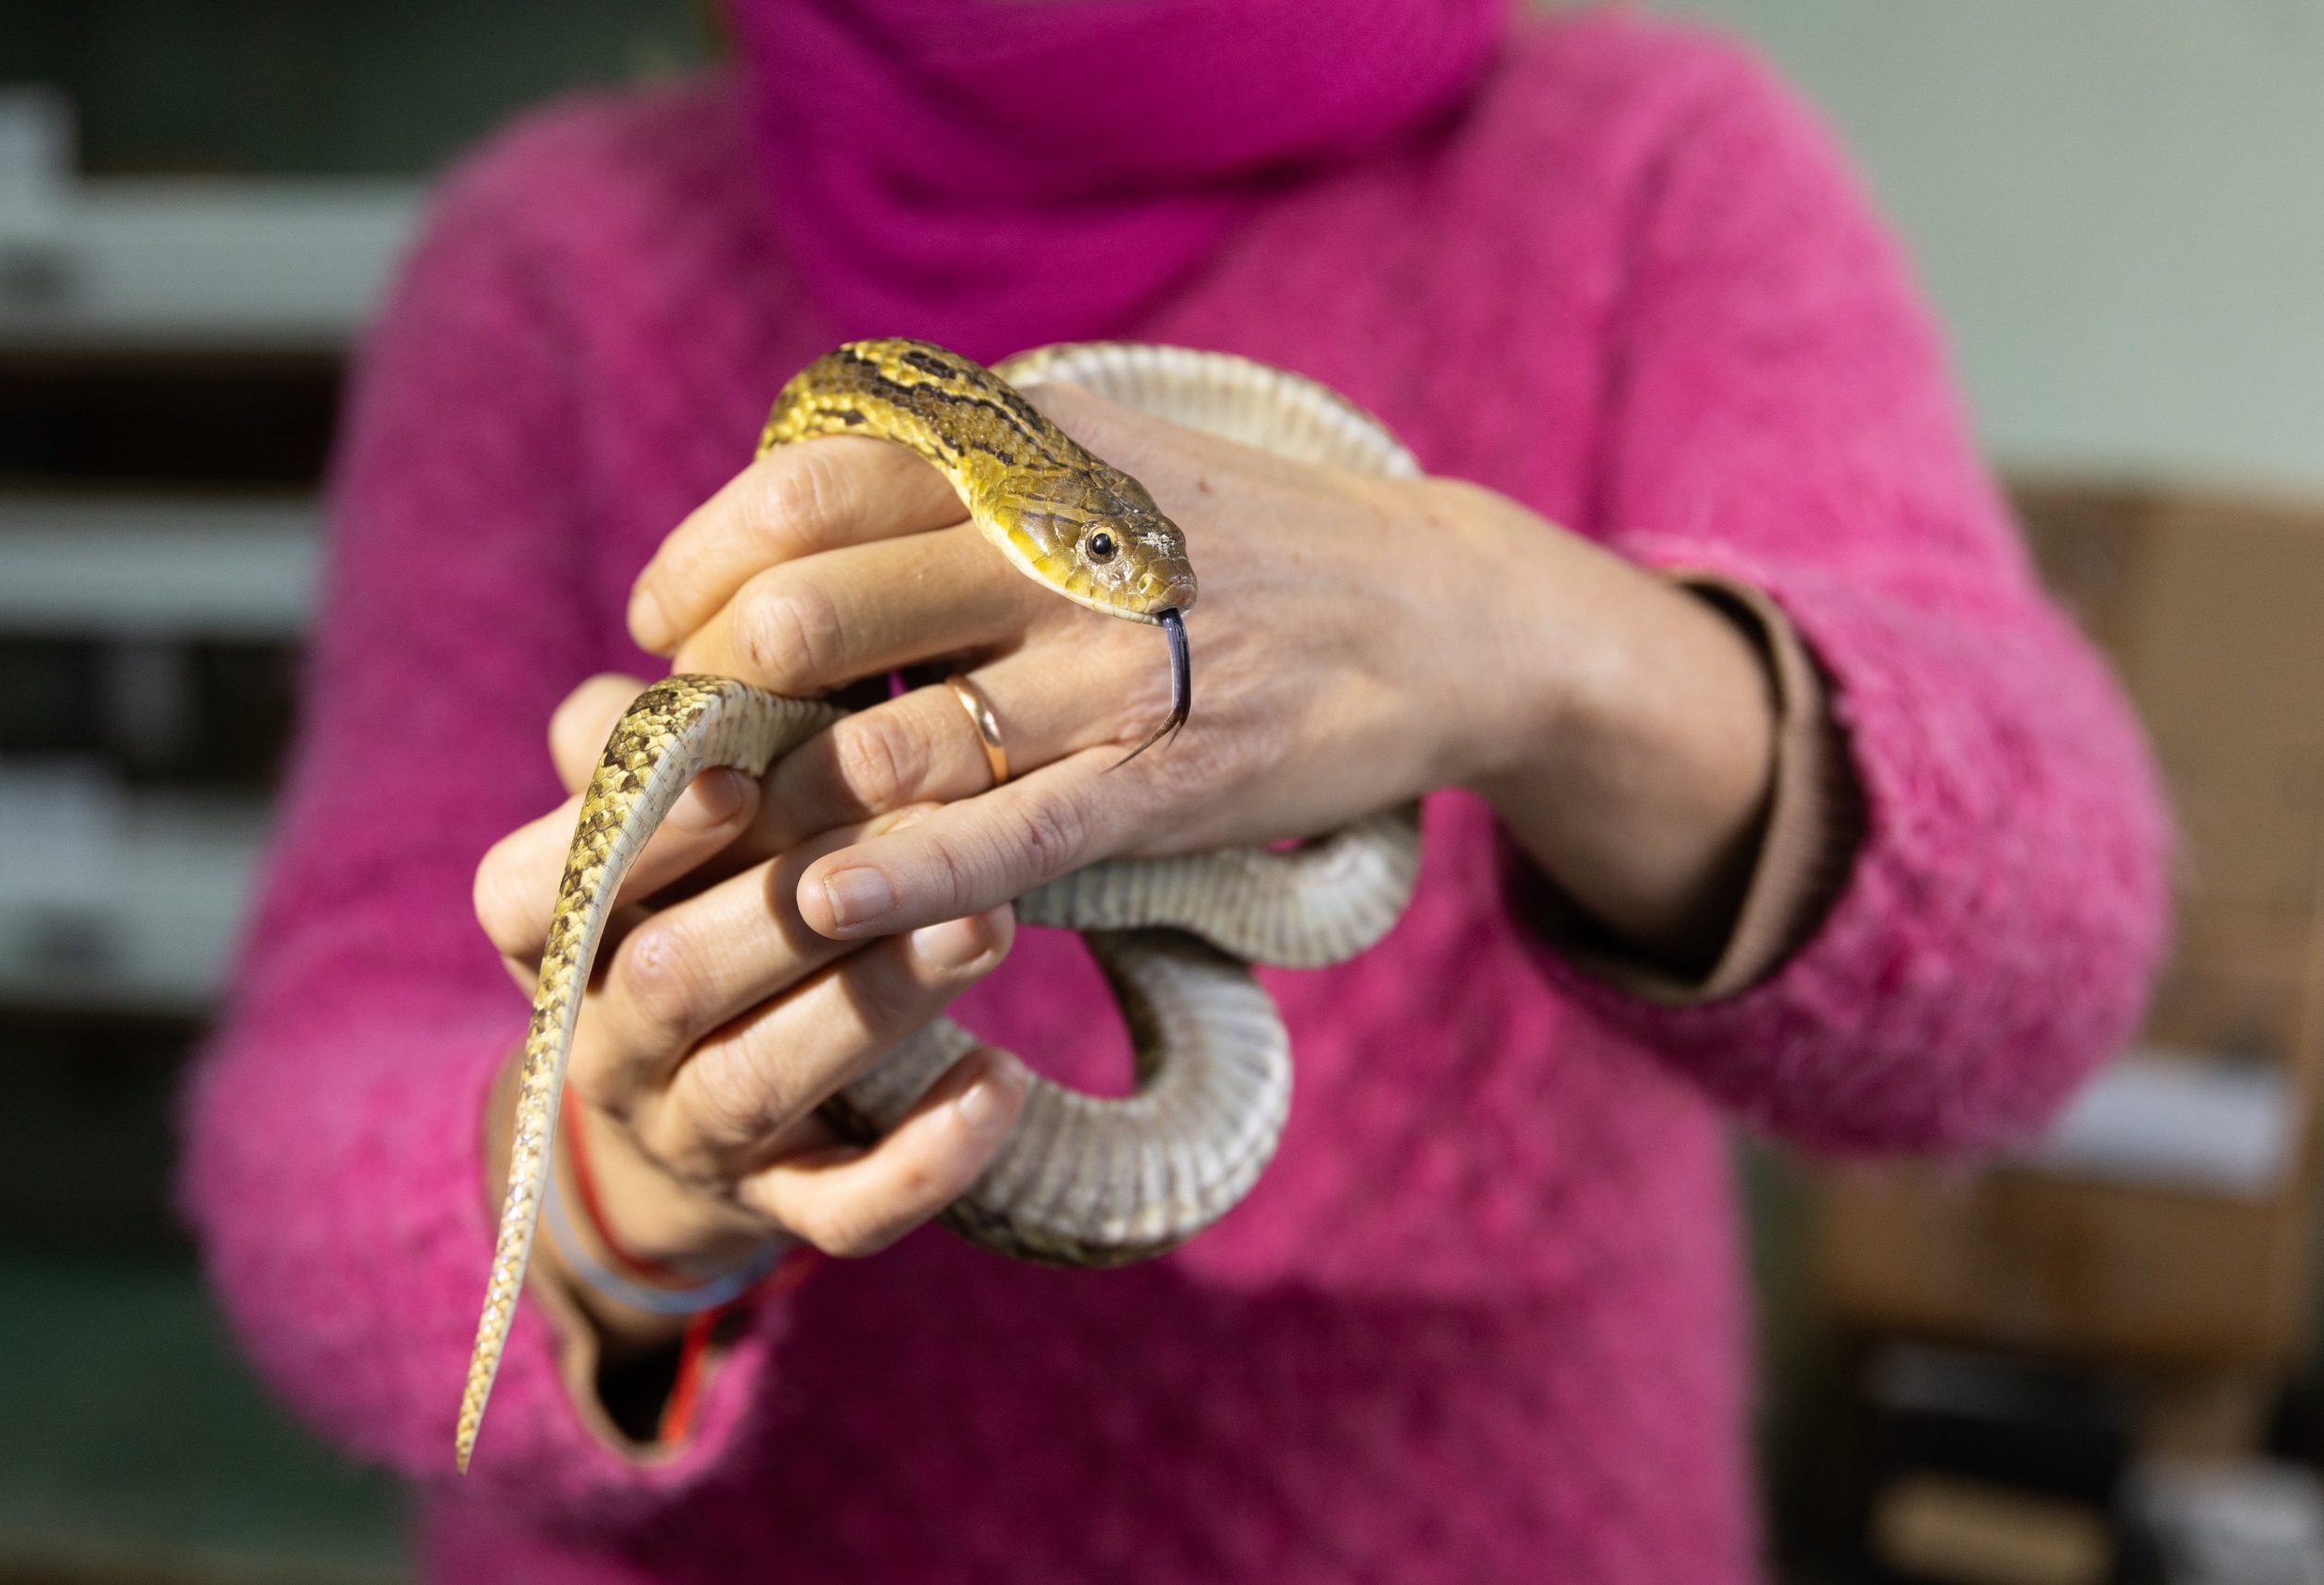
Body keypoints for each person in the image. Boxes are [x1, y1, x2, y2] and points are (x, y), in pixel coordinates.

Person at [182, 1, 2168, 1579]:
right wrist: (627, 1187)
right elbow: (319, 1085)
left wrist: (1513, 627)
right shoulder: (555, 253)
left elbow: (2046, 961)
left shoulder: (1649, 163)